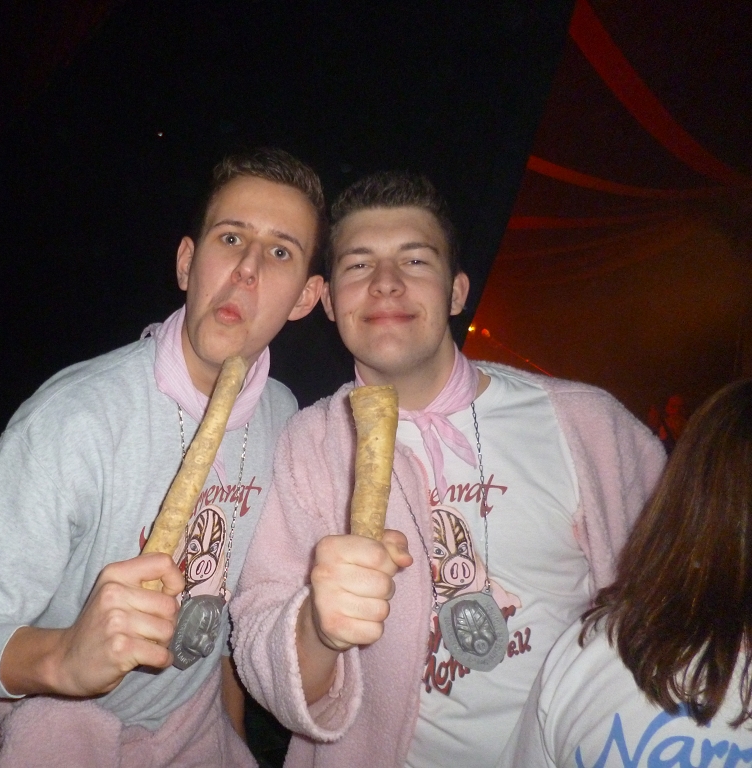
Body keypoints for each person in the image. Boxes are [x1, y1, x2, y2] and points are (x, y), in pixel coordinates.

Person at [0, 148, 326, 767]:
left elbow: (225, 617)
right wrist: (62, 657)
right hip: (42, 740)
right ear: (187, 262)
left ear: (306, 297)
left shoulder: (282, 417)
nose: (247, 270)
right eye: (231, 238)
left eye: (280, 252)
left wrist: (232, 742)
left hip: (190, 739)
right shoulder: (78, 417)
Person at [230, 171, 666, 768]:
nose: (385, 282)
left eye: (414, 261)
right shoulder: (307, 446)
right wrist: (316, 628)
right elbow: (259, 640)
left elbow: (682, 595)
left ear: (457, 292)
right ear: (329, 302)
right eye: (358, 264)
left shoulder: (588, 427)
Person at [498, 378, 752, 767]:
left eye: (678, 409)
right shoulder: (596, 648)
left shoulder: (594, 649)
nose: (672, 413)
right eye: (670, 408)